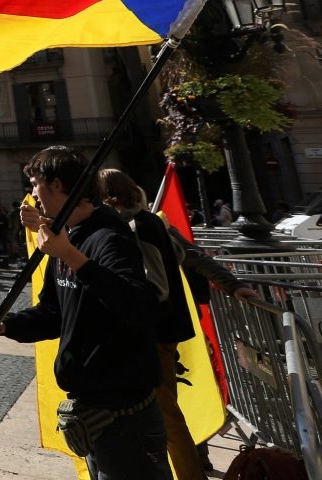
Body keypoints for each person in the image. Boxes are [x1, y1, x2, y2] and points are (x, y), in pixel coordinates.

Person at [0, 147, 166, 480]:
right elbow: (54, 312)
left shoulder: (107, 238)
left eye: (36, 184)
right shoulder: (65, 239)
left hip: (124, 414)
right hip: (92, 412)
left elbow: (140, 307)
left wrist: (73, 257)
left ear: (58, 184)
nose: (33, 195)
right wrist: (7, 326)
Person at [99, 168, 206, 480]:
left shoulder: (136, 226)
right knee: (163, 414)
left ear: (108, 196)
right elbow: (178, 254)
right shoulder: (150, 221)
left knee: (167, 418)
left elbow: (156, 287)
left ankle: (190, 475)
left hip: (156, 334)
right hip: (166, 331)